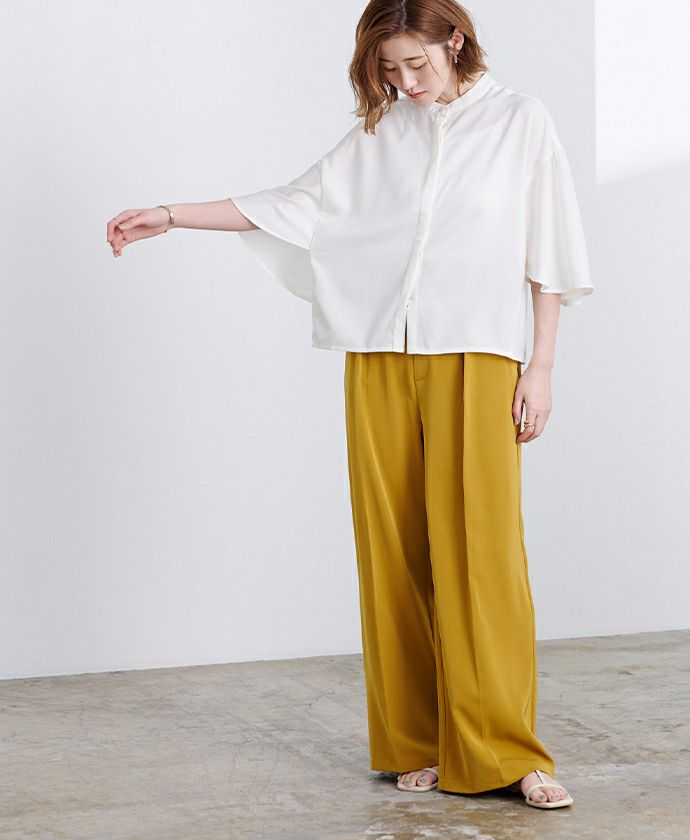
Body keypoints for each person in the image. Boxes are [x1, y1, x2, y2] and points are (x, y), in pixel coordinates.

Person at [106, 0, 593, 812]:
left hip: (478, 354)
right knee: (392, 550)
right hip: (379, 355)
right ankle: (416, 740)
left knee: (483, 554)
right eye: (388, 69)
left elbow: (551, 249)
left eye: (417, 64)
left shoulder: (519, 121)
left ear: (455, 40)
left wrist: (539, 367)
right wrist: (172, 214)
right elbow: (292, 204)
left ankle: (507, 752)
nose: (405, 82)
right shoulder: (379, 132)